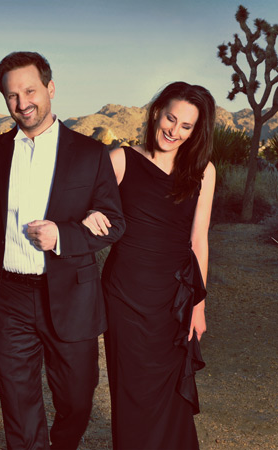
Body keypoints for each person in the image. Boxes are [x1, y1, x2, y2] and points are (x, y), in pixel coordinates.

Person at [0, 51, 125, 450]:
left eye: (30, 90)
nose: (22, 102)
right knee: (19, 407)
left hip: (71, 296)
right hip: (7, 297)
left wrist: (62, 235)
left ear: (50, 88)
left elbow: (114, 222)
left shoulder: (90, 154)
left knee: (77, 401)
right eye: (12, 95)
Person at [83, 81, 216, 449]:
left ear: (195, 131)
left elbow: (199, 241)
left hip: (174, 300)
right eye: (171, 119)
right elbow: (82, 204)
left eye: (186, 126)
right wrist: (90, 213)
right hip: (124, 296)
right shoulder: (121, 159)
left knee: (171, 395)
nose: (174, 131)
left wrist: (199, 306)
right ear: (157, 112)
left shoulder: (203, 171)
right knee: (131, 393)